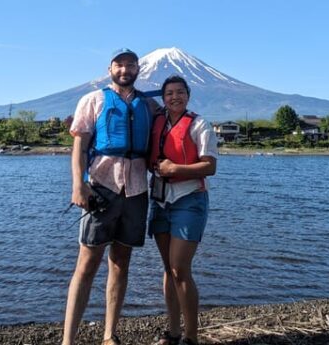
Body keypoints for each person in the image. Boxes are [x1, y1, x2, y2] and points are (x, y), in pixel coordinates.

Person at [62, 49, 158, 345]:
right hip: (101, 188)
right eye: (119, 64)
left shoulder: (149, 105)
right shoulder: (93, 100)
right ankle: (68, 340)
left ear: (138, 69)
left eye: (131, 64)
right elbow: (80, 147)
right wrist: (78, 185)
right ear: (110, 69)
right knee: (87, 264)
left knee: (120, 263)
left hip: (137, 189)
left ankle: (109, 335)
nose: (125, 69)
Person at [149, 75, 218, 345]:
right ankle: (173, 331)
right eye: (169, 93)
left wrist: (175, 168)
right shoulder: (157, 122)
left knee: (180, 268)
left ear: (188, 95)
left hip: (189, 199)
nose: (174, 97)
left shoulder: (200, 124)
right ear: (163, 98)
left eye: (180, 92)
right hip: (160, 200)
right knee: (168, 269)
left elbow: (210, 166)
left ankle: (191, 336)